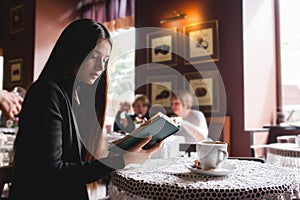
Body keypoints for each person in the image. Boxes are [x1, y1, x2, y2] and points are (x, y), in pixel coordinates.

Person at [9, 19, 162, 200]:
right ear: (73, 51)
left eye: (105, 60)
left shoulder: (77, 96)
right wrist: (122, 160)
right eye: (93, 56)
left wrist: (128, 145)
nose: (100, 67)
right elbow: (52, 173)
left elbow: (78, 159)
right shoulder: (46, 93)